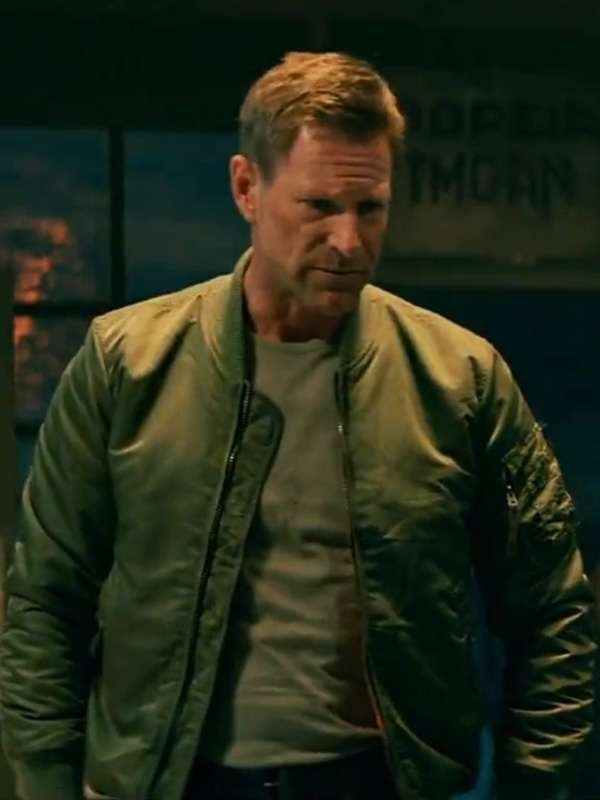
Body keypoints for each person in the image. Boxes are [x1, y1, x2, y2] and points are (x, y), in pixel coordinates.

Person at [0, 51, 597, 800]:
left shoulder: (459, 377)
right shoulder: (127, 362)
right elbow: (46, 600)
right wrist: (45, 785)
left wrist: (534, 785)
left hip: (378, 783)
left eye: (370, 208)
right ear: (246, 187)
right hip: (171, 781)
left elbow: (552, 610)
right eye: (318, 207)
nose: (349, 241)